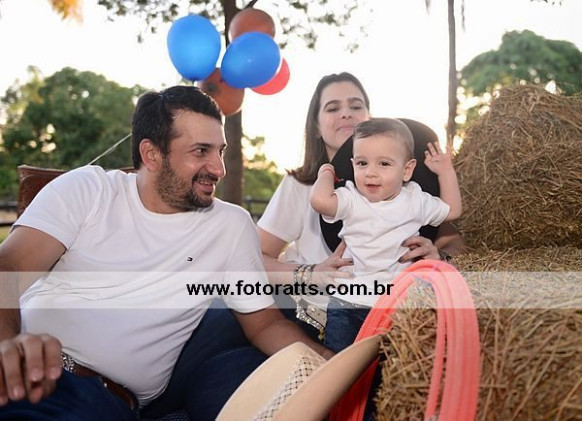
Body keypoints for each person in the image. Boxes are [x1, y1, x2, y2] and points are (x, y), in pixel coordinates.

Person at [0, 85, 332, 421]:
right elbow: (9, 265)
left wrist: (330, 364)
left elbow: (264, 324)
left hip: (98, 399)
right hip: (22, 368)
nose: (219, 169)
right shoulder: (89, 189)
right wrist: (5, 343)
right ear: (152, 154)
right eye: (201, 151)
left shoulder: (230, 226)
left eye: (220, 151)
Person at [257, 72, 465, 337]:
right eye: (333, 108)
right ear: (316, 126)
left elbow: (457, 242)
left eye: (355, 106)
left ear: (369, 119)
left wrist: (437, 257)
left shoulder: (410, 189)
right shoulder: (300, 185)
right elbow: (254, 259)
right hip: (317, 313)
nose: (346, 113)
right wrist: (311, 274)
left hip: (389, 307)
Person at [310, 117, 462, 351]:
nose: (370, 173)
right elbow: (320, 201)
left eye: (383, 164)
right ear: (352, 165)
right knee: (340, 360)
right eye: (362, 163)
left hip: (397, 303)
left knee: (394, 360)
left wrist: (446, 172)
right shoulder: (351, 199)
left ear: (407, 170)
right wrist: (326, 171)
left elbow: (453, 210)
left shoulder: (415, 199)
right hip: (348, 302)